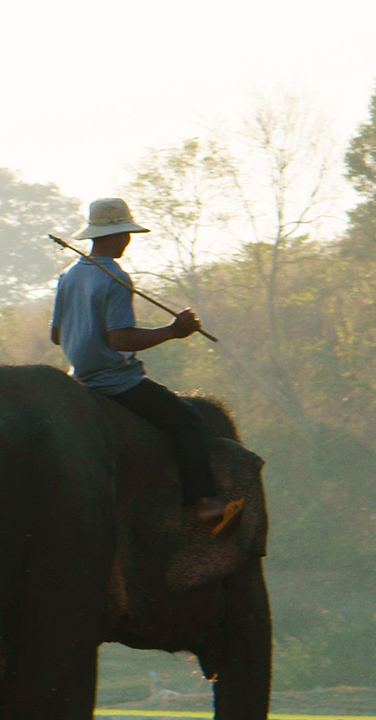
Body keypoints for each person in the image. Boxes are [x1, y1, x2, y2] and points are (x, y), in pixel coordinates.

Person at [50, 197, 243, 535]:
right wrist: (174, 331)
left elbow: (56, 335)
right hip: (113, 381)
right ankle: (207, 503)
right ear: (117, 235)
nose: (128, 240)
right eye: (126, 233)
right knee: (186, 420)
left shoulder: (68, 276)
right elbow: (120, 341)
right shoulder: (114, 278)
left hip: (77, 379)